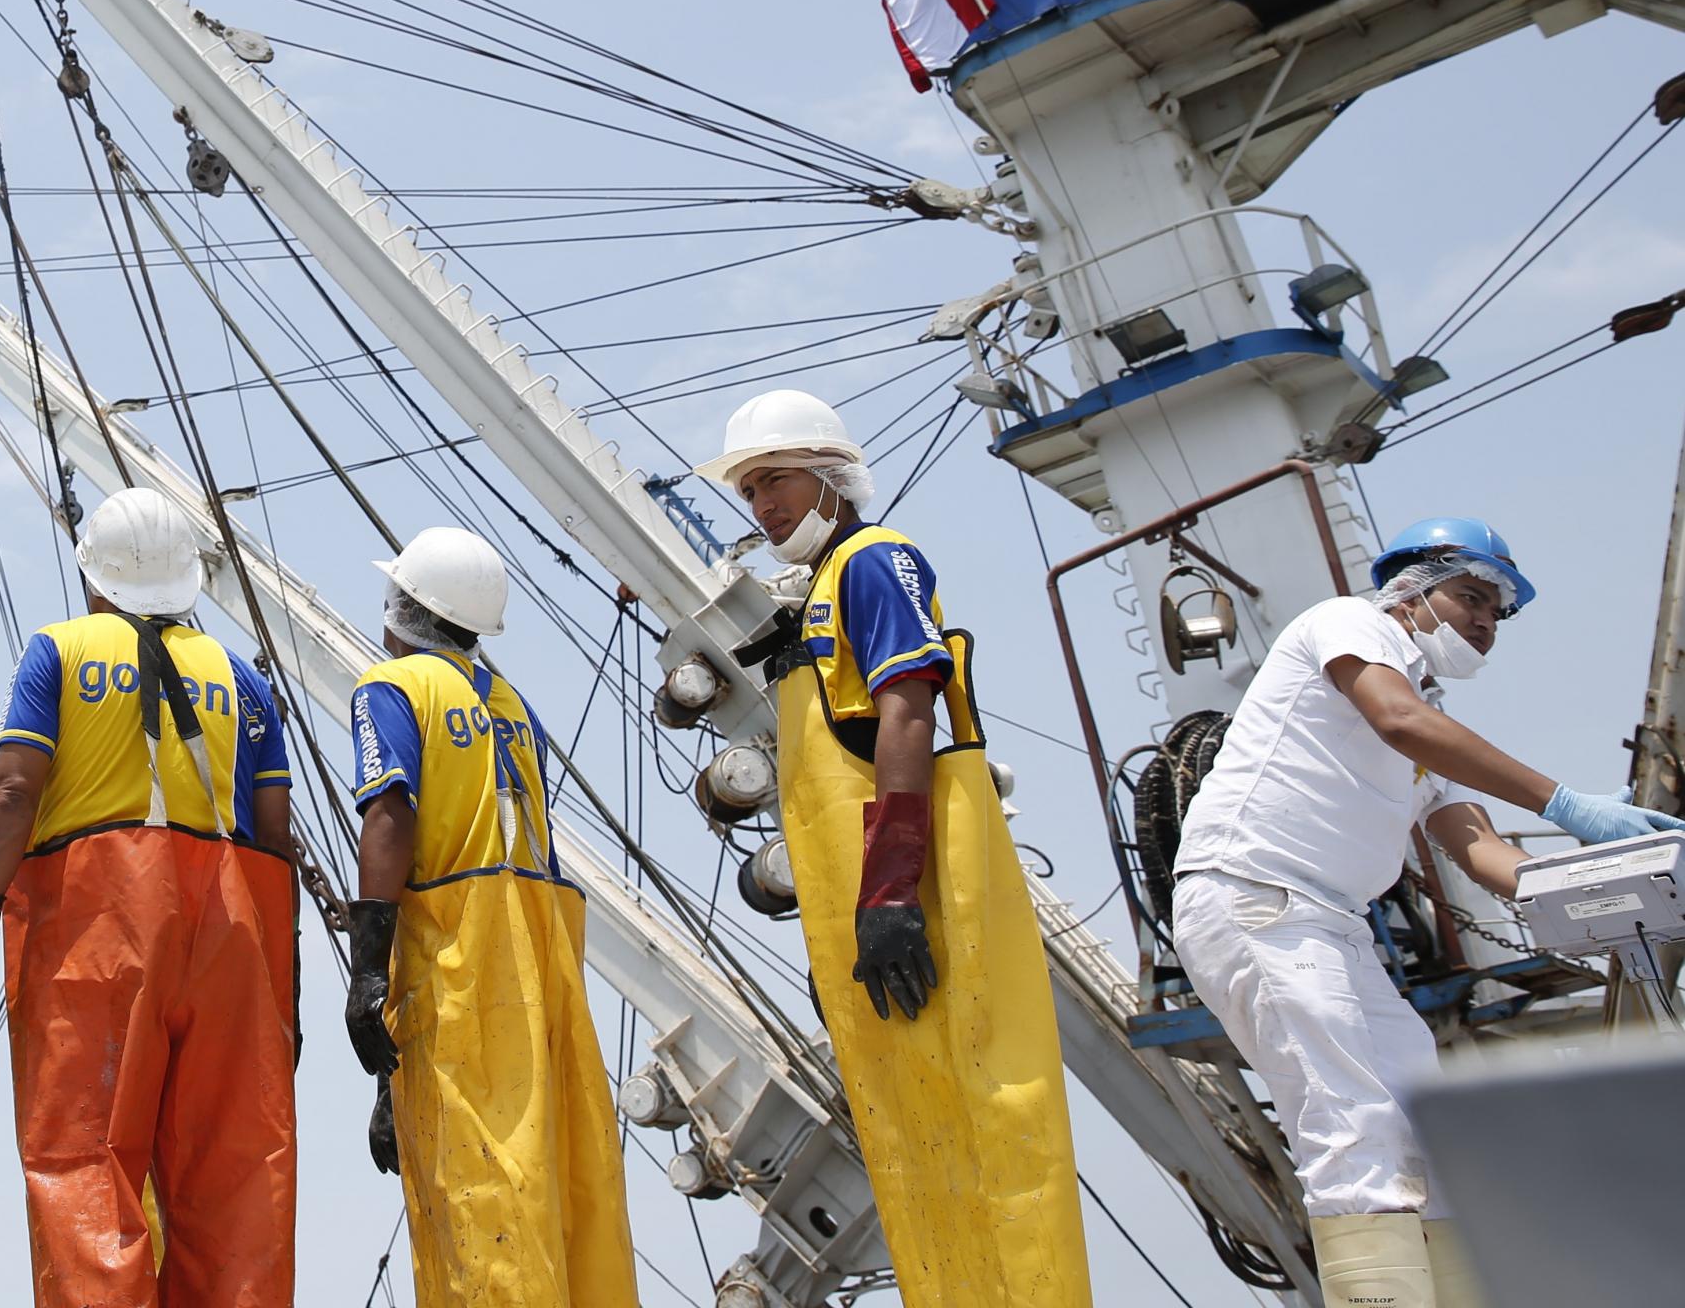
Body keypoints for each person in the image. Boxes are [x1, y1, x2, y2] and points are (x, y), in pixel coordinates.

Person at [1170, 515, 1685, 1308]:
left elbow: (1480, 850)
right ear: (1411, 590)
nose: (1486, 620)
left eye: (1497, 611)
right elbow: (1400, 721)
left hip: (1330, 926)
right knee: (1354, 1131)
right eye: (1471, 595)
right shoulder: (1351, 624)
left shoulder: (1421, 714)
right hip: (1260, 897)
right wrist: (1565, 803)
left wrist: (1618, 880)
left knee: (1427, 1142)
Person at [700, 389, 1091, 1307]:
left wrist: (889, 893)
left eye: (777, 480)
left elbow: (909, 714)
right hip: (870, 915)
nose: (763, 504)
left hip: (913, 899)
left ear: (832, 477)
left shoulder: (874, 562)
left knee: (984, 1115)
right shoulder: (817, 594)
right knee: (916, 1136)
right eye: (750, 490)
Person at [0, 488, 298, 1308]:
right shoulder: (243, 679)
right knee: (238, 1184)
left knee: (87, 1172)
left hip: (95, 941)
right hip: (231, 943)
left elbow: (12, 793)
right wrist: (285, 1004)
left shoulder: (58, 653)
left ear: (93, 575)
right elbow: (275, 841)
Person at [342, 526, 637, 1308]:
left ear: (400, 607)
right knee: (549, 1179)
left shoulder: (392, 688)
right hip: (539, 961)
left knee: (477, 1192)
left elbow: (391, 818)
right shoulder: (514, 708)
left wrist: (367, 972)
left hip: (461, 964)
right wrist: (393, 1086)